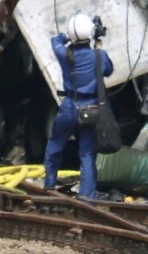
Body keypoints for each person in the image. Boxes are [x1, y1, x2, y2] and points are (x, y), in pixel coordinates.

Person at [43, 11, 113, 199]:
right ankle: (86, 196)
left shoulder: (63, 53)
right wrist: (98, 47)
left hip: (69, 106)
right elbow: (108, 71)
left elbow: (54, 41)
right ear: (90, 33)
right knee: (87, 154)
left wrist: (67, 35)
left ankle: (49, 183)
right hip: (91, 108)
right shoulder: (98, 55)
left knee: (56, 143)